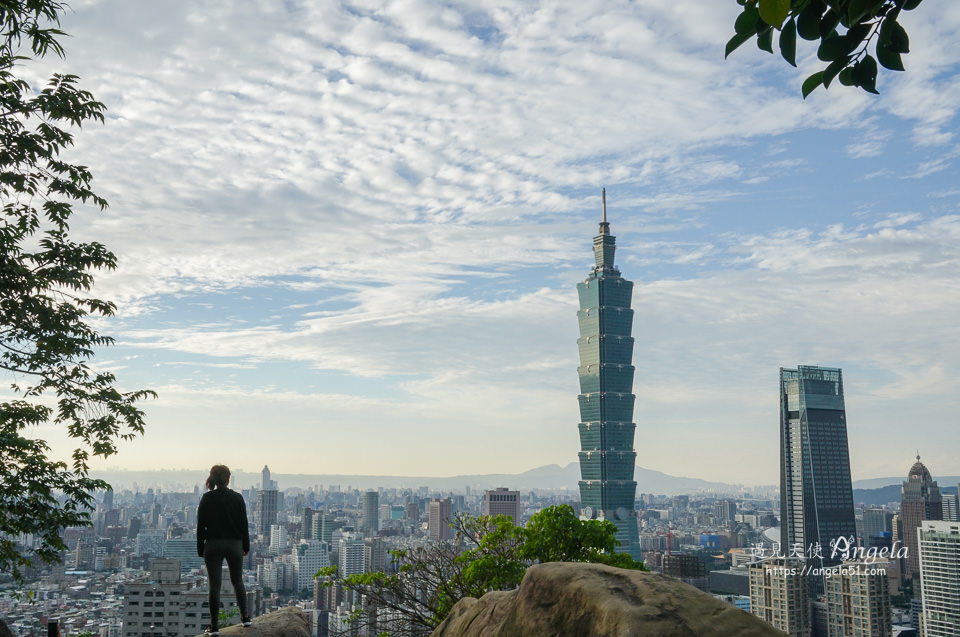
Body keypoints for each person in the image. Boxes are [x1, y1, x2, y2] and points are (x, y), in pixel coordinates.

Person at [197, 464, 251, 635]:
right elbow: (244, 525)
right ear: (228, 479)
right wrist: (246, 546)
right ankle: (246, 618)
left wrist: (200, 547)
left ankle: (214, 627)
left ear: (213, 478)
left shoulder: (207, 498)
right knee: (238, 581)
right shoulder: (237, 498)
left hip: (213, 544)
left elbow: (201, 527)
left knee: (215, 585)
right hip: (234, 544)